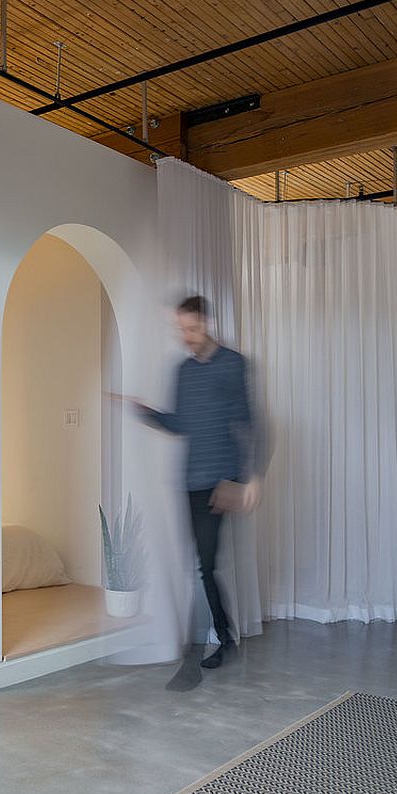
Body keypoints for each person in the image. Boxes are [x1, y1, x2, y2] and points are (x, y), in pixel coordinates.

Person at [135, 295, 264, 691]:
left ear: (206, 323)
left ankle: (220, 640)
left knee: (205, 564)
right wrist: (145, 412)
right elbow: (180, 424)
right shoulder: (183, 372)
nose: (187, 337)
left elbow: (248, 423)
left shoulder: (233, 364)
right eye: (182, 330)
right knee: (200, 564)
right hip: (188, 480)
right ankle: (220, 636)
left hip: (219, 482)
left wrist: (246, 478)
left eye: (192, 329)